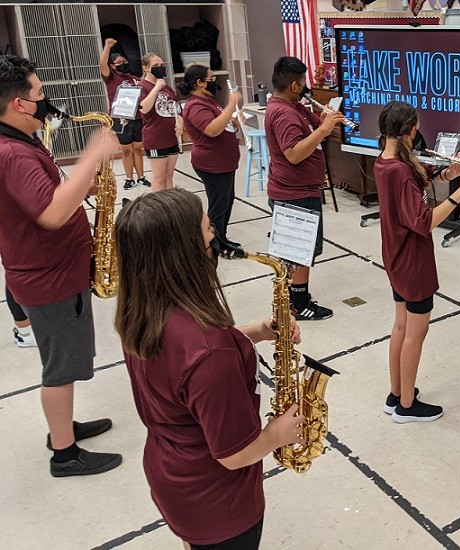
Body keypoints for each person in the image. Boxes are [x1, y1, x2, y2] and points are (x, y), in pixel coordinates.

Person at [115, 188, 303, 549]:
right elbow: (233, 455)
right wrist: (279, 433)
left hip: (172, 475)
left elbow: (181, 364)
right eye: (205, 230)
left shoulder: (141, 310)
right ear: (182, 253)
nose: (214, 233)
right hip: (220, 502)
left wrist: (257, 333)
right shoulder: (210, 353)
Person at [0, 54, 122, 476]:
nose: (45, 99)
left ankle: (63, 429)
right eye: (39, 93)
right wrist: (93, 156)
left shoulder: (20, 142)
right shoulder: (14, 153)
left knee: (64, 362)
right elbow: (51, 214)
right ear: (19, 103)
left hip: (52, 272)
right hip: (48, 280)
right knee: (59, 368)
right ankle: (64, 455)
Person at [375, 100, 460, 423]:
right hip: (413, 262)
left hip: (395, 257)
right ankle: (407, 407)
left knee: (400, 325)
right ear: (409, 131)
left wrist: (446, 173)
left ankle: (396, 393)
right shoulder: (400, 172)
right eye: (416, 127)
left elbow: (413, 181)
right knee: (416, 332)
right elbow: (424, 221)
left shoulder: (385, 162)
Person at [265, 56, 343, 321]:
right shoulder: (284, 113)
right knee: (300, 251)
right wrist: (323, 130)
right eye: (303, 82)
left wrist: (327, 119)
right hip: (295, 194)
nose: (305, 86)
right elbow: (294, 154)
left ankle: (292, 298)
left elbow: (314, 122)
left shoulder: (292, 105)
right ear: (294, 86)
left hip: (299, 190)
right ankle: (299, 304)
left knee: (296, 251)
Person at [178, 65, 243, 249]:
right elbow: (212, 130)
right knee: (218, 205)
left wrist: (235, 120)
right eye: (211, 79)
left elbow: (223, 123)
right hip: (212, 164)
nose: (215, 83)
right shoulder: (195, 106)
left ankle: (221, 238)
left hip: (224, 162)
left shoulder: (208, 101)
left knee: (226, 201)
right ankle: (214, 243)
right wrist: (231, 104)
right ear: (199, 83)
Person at [99, 38, 149, 190]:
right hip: (120, 119)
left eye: (124, 61)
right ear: (112, 66)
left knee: (138, 149)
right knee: (126, 150)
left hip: (137, 118)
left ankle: (141, 176)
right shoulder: (111, 78)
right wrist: (107, 47)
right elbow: (102, 64)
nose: (123, 64)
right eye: (119, 62)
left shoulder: (135, 79)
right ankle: (129, 178)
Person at [139, 53, 182, 192]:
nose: (160, 68)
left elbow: (176, 110)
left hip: (171, 137)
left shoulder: (168, 88)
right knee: (159, 177)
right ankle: (160, 209)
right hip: (155, 137)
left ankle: (171, 205)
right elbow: (144, 108)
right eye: (155, 66)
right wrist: (156, 88)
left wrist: (180, 123)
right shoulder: (142, 87)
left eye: (162, 65)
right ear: (146, 68)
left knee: (169, 176)